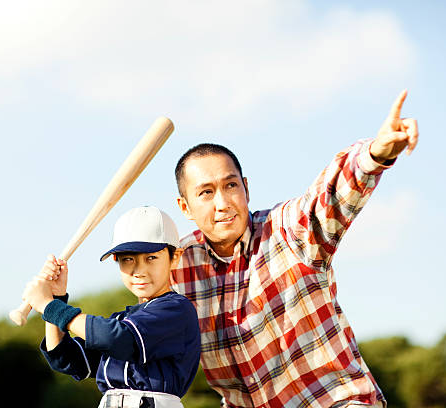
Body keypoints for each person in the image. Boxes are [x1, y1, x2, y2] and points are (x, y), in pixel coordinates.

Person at [170, 90, 419, 407]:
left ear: (246, 188)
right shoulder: (178, 265)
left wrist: (376, 154)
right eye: (206, 192)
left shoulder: (288, 230)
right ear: (185, 207)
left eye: (230, 185)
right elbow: (141, 323)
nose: (222, 203)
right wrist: (88, 328)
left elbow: (330, 195)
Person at [22, 206, 201, 408]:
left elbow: (117, 338)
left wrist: (49, 306)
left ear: (174, 257)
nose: (139, 270)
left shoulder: (176, 309)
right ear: (117, 261)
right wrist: (57, 298)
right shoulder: (121, 320)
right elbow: (65, 358)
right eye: (128, 259)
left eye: (151, 258)